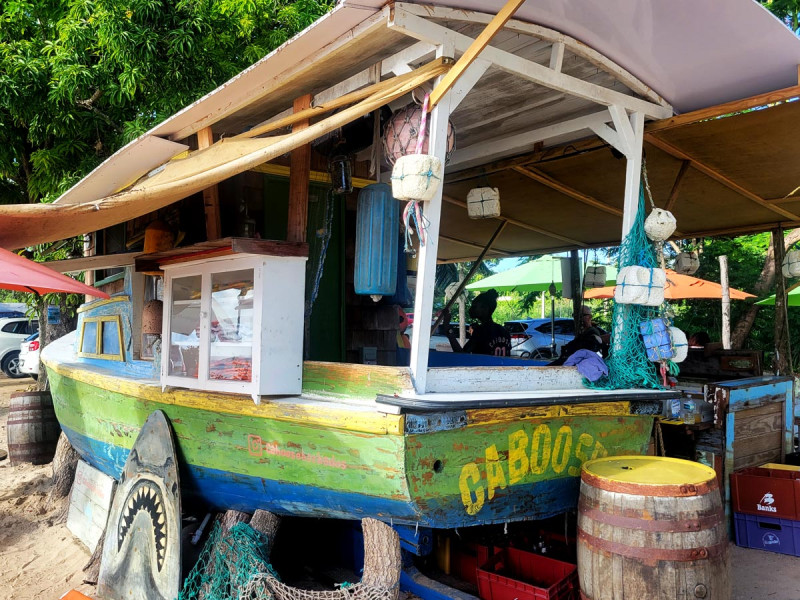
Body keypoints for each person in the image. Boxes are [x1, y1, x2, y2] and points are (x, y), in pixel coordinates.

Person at [443, 289, 511, 356]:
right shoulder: (504, 331)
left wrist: (448, 329)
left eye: (474, 306)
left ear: (485, 308)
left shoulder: (481, 331)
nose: (470, 309)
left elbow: (462, 355)